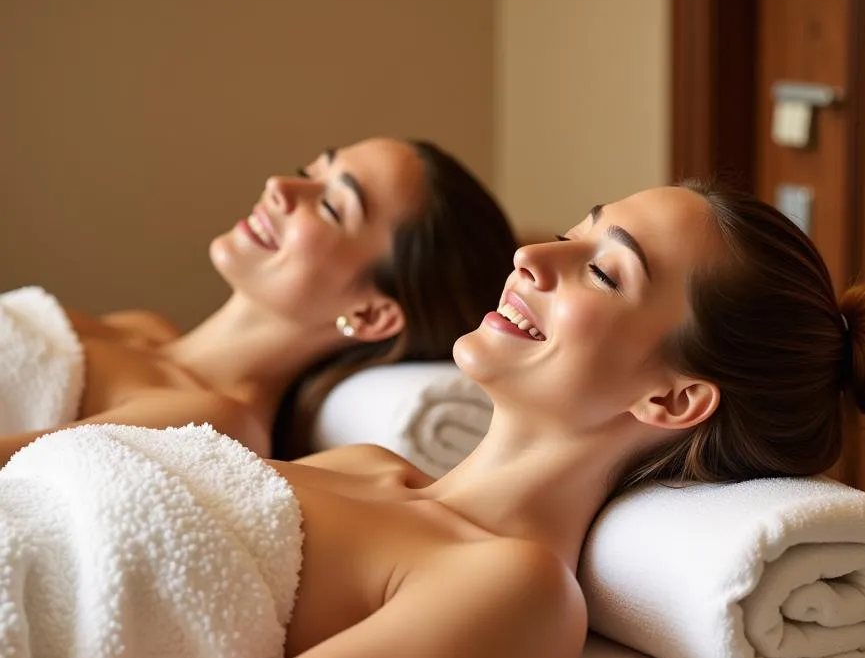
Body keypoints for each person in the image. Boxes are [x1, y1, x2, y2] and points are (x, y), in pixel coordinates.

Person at [0, 180, 865, 658]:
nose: (534, 257)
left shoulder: (512, 595)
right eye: (577, 229)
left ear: (672, 397)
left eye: (604, 270)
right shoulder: (359, 468)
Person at [0, 137, 518, 466]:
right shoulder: (143, 326)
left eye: (333, 206)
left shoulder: (213, 418)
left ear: (371, 314)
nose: (280, 187)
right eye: (308, 171)